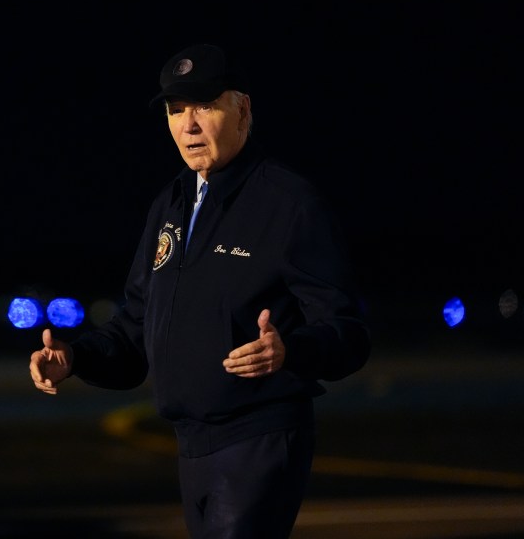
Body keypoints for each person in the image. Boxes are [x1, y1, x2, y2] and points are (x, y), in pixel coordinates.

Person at [29, 43, 371, 538]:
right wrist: (76, 358)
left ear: (243, 110)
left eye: (205, 106)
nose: (188, 124)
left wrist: (290, 350)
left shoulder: (288, 205)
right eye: (175, 109)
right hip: (191, 447)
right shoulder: (169, 206)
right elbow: (134, 330)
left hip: (259, 437)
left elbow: (349, 333)